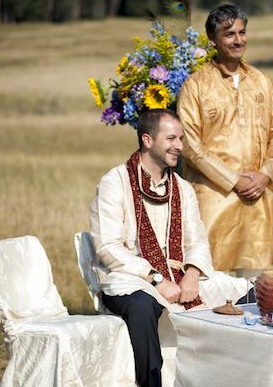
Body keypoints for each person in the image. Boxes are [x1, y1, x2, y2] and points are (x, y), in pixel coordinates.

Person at [90, 109, 251, 387]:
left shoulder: (181, 187)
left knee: (246, 293)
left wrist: (191, 273)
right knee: (142, 305)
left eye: (181, 139)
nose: (179, 146)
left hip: (181, 278)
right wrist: (155, 278)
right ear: (147, 140)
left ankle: (234, 376)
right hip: (131, 279)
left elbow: (197, 240)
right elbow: (107, 246)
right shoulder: (114, 182)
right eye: (171, 138)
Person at [178, 4, 273, 277]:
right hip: (214, 199)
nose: (238, 40)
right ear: (212, 39)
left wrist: (265, 175)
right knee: (212, 286)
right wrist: (233, 180)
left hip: (258, 198)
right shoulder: (196, 84)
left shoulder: (262, 82)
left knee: (255, 292)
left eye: (242, 32)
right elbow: (190, 145)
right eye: (229, 34)